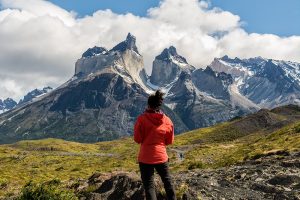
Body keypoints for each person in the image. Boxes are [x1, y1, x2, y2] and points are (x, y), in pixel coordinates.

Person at [134, 90, 176, 200]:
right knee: (167, 182)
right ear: (159, 105)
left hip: (145, 157)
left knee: (149, 186)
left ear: (148, 104)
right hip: (161, 156)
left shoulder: (141, 119)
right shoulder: (167, 120)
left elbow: (137, 139)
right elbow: (169, 141)